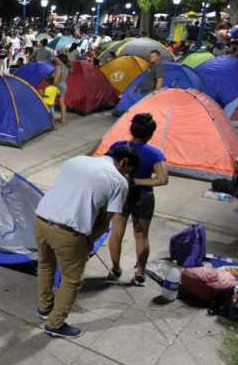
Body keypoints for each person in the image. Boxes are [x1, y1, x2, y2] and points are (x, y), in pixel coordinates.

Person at [34, 145, 136, 339]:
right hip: (68, 232)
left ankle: (44, 307)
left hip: (41, 219)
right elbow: (107, 219)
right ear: (124, 163)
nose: (126, 174)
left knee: (46, 265)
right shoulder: (119, 181)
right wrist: (90, 241)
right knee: (72, 280)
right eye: (127, 170)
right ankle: (55, 324)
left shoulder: (76, 159)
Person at [107, 113, 167, 286]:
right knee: (141, 235)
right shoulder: (155, 154)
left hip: (120, 193)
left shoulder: (118, 146)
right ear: (151, 134)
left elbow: (107, 166)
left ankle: (115, 269)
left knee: (116, 231)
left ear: (131, 130)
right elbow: (163, 179)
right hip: (144, 196)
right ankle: (140, 273)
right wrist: (139, 181)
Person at [51, 54, 70, 124]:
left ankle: (52, 118)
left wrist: (53, 86)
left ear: (60, 59)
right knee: (62, 103)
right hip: (64, 85)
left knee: (51, 102)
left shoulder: (59, 67)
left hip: (58, 86)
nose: (56, 59)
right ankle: (63, 119)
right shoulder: (66, 67)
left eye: (57, 58)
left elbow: (56, 79)